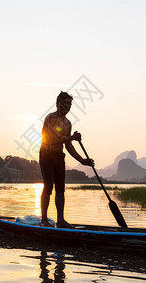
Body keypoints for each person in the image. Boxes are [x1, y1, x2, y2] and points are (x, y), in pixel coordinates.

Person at [39, 91, 94, 228]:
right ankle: (44, 220)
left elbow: (68, 146)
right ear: (58, 104)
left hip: (58, 156)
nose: (68, 107)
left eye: (70, 104)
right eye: (65, 104)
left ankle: (61, 220)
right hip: (46, 155)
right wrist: (72, 138)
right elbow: (53, 138)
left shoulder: (68, 124)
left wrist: (82, 161)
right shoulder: (50, 118)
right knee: (48, 187)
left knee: (60, 189)